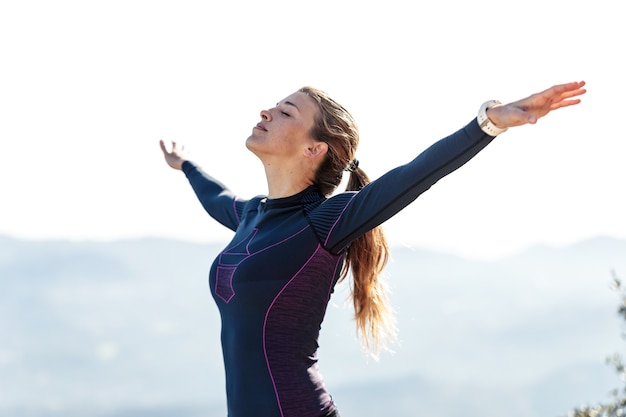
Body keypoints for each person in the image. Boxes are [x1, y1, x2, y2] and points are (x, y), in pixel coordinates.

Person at [159, 81, 586, 417]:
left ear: (314, 149)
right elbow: (215, 195)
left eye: (286, 111)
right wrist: (186, 165)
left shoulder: (325, 221)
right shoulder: (251, 215)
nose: (266, 112)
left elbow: (415, 174)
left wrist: (488, 122)